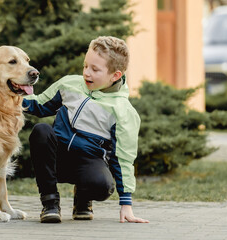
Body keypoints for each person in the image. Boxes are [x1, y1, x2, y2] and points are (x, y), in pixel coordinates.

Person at [22, 36, 149, 223]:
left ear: (116, 75)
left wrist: (126, 204)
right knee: (41, 131)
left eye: (95, 69)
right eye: (85, 66)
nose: (87, 73)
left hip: (89, 161)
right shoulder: (69, 84)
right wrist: (7, 97)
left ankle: (83, 197)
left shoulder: (122, 112)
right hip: (59, 156)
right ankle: (50, 202)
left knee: (102, 186)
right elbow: (40, 105)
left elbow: (123, 158)